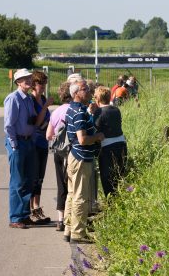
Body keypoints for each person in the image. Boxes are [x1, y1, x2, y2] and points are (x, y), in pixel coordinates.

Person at [63, 79, 104, 243]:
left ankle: (68, 228)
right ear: (76, 93)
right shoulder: (79, 112)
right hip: (81, 157)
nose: (89, 91)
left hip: (74, 156)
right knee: (81, 196)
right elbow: (82, 139)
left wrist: (90, 113)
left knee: (72, 195)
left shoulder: (73, 109)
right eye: (84, 89)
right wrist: (97, 137)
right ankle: (78, 233)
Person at [4, 69, 37, 229]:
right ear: (17, 82)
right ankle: (15, 217)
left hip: (28, 141)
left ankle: (24, 215)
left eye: (29, 78)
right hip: (17, 142)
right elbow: (8, 125)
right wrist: (14, 145)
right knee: (17, 181)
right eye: (24, 79)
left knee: (28, 179)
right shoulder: (13, 98)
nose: (28, 81)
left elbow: (32, 120)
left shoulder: (29, 99)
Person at [46, 81, 72, 232]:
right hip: (72, 151)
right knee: (73, 185)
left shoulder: (55, 112)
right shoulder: (76, 110)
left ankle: (60, 220)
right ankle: (71, 218)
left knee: (61, 185)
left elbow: (48, 135)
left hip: (59, 152)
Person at [93, 86, 128, 197]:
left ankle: (111, 203)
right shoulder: (116, 109)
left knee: (107, 178)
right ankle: (121, 198)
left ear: (97, 99)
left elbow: (95, 129)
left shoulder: (99, 112)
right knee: (119, 175)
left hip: (107, 147)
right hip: (121, 143)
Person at [29, 70, 54, 224]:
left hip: (44, 141)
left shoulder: (43, 98)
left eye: (44, 83)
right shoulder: (31, 100)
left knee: (40, 177)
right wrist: (45, 107)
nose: (43, 86)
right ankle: (31, 208)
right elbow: (37, 123)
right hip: (34, 141)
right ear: (33, 84)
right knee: (32, 176)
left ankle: (37, 207)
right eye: (40, 83)